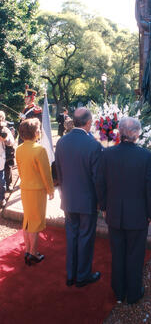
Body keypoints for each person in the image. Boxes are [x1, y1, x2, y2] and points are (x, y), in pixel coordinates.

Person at [96, 117, 151, 304]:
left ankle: (119, 291)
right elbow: (150, 188)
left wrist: (104, 207)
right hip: (138, 215)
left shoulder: (107, 154)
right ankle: (133, 293)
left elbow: (100, 184)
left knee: (118, 253)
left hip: (114, 213)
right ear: (137, 134)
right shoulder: (146, 156)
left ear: (120, 132)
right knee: (135, 254)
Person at [55, 107, 102, 287]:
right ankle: (82, 276)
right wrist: (101, 202)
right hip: (88, 200)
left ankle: (70, 274)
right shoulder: (94, 145)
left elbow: (58, 171)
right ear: (88, 123)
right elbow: (97, 178)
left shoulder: (61, 142)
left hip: (68, 198)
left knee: (72, 236)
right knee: (85, 238)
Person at [16, 118, 54, 265]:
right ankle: (33, 253)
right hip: (37, 190)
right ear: (35, 132)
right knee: (35, 223)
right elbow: (46, 173)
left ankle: (27, 250)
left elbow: (19, 170)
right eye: (38, 129)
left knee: (27, 220)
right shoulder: (39, 149)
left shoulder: (19, 149)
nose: (39, 131)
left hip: (25, 188)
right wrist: (50, 189)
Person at [0, 111, 15, 208]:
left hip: (1, 159)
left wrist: (5, 139)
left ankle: (1, 199)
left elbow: (11, 142)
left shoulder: (5, 129)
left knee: (1, 181)